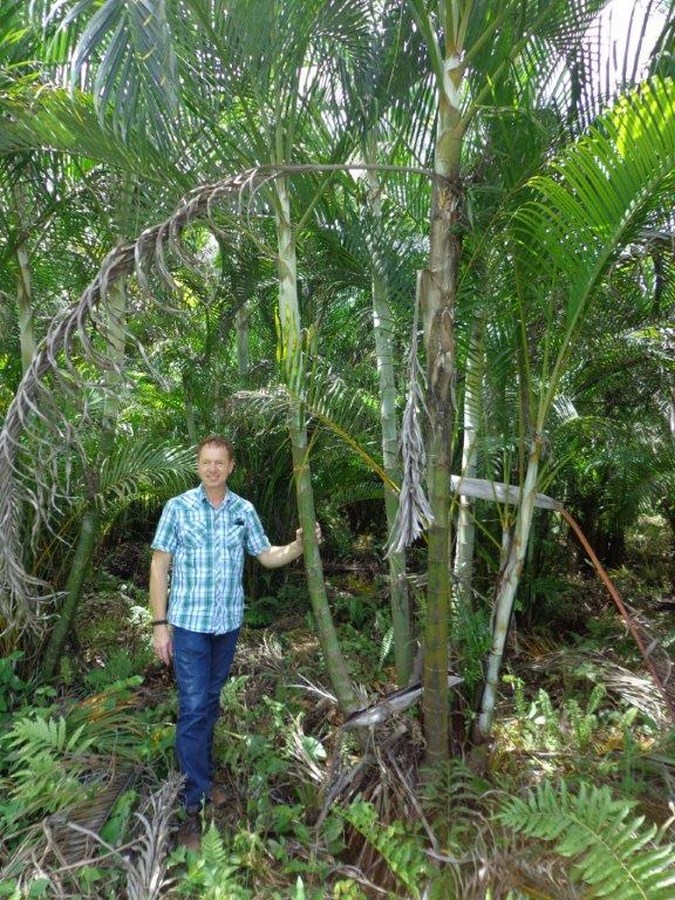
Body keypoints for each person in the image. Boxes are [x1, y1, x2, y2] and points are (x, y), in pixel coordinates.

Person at [149, 435, 317, 852]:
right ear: (197, 465)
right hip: (187, 625)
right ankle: (193, 802)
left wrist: (298, 546)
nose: (212, 469)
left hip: (226, 626)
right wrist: (159, 624)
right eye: (206, 462)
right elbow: (159, 566)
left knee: (209, 701)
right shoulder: (178, 508)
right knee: (193, 707)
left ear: (231, 466)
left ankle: (200, 779)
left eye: (219, 462)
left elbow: (265, 555)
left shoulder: (243, 511)